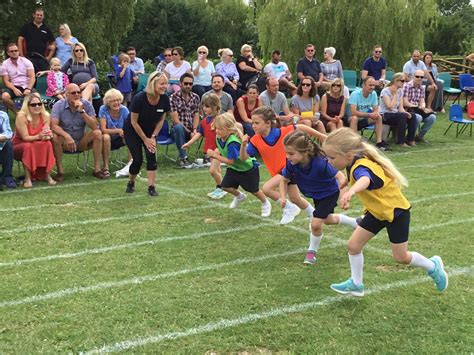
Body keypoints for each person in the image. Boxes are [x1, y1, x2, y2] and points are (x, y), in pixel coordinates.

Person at [323, 128, 448, 296]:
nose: (328, 161)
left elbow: (364, 179)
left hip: (396, 213)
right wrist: (344, 184)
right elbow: (354, 175)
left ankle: (433, 266)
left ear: (348, 154)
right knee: (353, 245)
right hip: (377, 212)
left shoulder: (361, 166)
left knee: (401, 257)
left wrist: (351, 192)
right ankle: (356, 284)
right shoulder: (354, 159)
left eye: (331, 157)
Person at [280, 130, 358, 265]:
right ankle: (354, 222)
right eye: (286, 153)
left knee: (316, 223)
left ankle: (311, 252)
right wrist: (282, 197)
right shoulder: (291, 163)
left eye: (291, 153)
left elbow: (340, 176)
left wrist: (345, 196)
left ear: (304, 152)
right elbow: (284, 180)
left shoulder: (320, 163)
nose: (287, 157)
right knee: (326, 220)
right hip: (317, 195)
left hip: (329, 193)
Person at [241, 105, 326, 225]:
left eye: (256, 122)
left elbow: (301, 127)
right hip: (280, 173)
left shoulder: (283, 132)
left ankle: (289, 208)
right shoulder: (255, 140)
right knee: (295, 199)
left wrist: (321, 136)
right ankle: (314, 214)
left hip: (290, 169)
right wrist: (243, 145)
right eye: (252, 122)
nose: (253, 125)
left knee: (267, 188)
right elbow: (244, 158)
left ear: (268, 123)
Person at [206, 112, 271, 216]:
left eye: (220, 129)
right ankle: (239, 196)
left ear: (229, 129)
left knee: (254, 190)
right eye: (216, 128)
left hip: (247, 169)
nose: (217, 131)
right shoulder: (219, 137)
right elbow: (222, 149)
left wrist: (214, 156)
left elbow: (231, 161)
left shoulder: (232, 143)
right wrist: (217, 152)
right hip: (234, 168)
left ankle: (265, 203)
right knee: (225, 186)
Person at [123, 71, 170, 196]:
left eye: (166, 84)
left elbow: (161, 120)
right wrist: (145, 139)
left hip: (151, 131)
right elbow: (133, 122)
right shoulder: (139, 98)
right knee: (137, 160)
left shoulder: (165, 99)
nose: (165, 86)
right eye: (162, 84)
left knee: (151, 157)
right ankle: (131, 181)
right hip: (133, 130)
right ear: (153, 83)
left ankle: (151, 187)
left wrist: (153, 137)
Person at [50, 83, 106, 181]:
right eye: (73, 93)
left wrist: (82, 112)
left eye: (78, 92)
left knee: (97, 133)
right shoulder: (58, 105)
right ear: (66, 94)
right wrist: (66, 136)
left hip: (81, 141)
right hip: (64, 142)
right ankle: (60, 172)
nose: (76, 95)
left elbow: (94, 126)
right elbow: (53, 125)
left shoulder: (87, 104)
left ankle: (97, 169)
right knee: (55, 137)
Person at [182, 93, 226, 199]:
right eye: (204, 106)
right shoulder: (205, 121)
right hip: (210, 149)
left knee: (212, 170)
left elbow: (227, 133)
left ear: (215, 107)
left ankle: (221, 188)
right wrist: (189, 143)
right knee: (217, 170)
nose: (204, 109)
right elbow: (199, 134)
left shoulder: (220, 120)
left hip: (217, 149)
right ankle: (220, 188)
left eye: (207, 106)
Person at [12, 92, 55, 187]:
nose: (37, 106)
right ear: (27, 106)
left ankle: (47, 175)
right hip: (19, 145)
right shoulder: (21, 116)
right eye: (33, 104)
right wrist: (39, 136)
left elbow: (46, 133)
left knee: (47, 143)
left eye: (39, 104)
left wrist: (48, 135)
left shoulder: (46, 115)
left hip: (37, 142)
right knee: (28, 146)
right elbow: (25, 138)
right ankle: (27, 178)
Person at [348, 76, 390, 151]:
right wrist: (369, 114)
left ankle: (379, 143)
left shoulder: (373, 94)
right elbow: (353, 112)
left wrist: (375, 114)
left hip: (363, 119)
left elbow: (376, 109)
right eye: (370, 85)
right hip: (350, 120)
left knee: (378, 117)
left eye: (373, 85)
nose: (372, 87)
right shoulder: (355, 94)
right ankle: (355, 144)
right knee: (354, 118)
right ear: (363, 85)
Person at [170, 73, 200, 167]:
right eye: (186, 83)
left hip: (192, 128)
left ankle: (209, 155)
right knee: (178, 127)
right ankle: (183, 158)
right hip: (177, 129)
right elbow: (175, 119)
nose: (188, 86)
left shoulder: (195, 97)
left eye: (190, 84)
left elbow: (196, 114)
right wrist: (189, 132)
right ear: (180, 84)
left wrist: (194, 130)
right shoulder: (173, 97)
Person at [380, 73, 418, 147]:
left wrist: (406, 113)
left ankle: (410, 140)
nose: (404, 83)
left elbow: (400, 108)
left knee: (412, 115)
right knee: (402, 116)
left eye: (405, 81)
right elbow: (390, 107)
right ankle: (401, 141)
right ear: (395, 81)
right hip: (385, 115)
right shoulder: (385, 91)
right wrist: (394, 95)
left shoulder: (400, 90)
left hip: (395, 114)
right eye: (402, 81)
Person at [99, 89, 130, 177]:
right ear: (108, 102)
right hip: (105, 139)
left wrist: (124, 132)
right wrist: (119, 130)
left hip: (119, 138)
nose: (116, 103)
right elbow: (103, 129)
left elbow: (129, 127)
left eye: (118, 100)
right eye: (113, 101)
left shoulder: (124, 110)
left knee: (131, 137)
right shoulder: (103, 109)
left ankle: (131, 166)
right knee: (106, 137)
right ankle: (105, 167)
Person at [402, 70, 437, 143]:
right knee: (418, 117)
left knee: (432, 117)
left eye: (421, 77)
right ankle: (409, 137)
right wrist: (417, 106)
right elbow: (405, 103)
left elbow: (422, 100)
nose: (419, 78)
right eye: (417, 76)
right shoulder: (406, 86)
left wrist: (423, 106)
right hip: (407, 109)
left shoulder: (422, 87)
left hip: (417, 109)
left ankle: (420, 136)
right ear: (413, 77)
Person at [18, 8, 55, 72]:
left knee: (42, 78)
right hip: (29, 57)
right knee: (29, 77)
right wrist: (21, 55)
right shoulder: (27, 27)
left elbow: (53, 43)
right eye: (37, 15)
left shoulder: (47, 29)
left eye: (41, 15)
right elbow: (20, 40)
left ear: (43, 16)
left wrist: (49, 57)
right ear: (34, 15)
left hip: (42, 58)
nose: (39, 16)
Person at [1, 43, 36, 113]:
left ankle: (33, 115)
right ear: (8, 53)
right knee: (4, 96)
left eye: (16, 50)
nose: (14, 52)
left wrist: (28, 89)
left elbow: (32, 77)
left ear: (18, 51)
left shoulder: (26, 61)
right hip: (14, 86)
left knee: (36, 96)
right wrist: (14, 89)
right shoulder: (5, 64)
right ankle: (18, 113)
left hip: (27, 85)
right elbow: (6, 81)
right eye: (12, 51)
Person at [0, 110, 16, 189]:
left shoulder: (2, 115)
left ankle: (7, 177)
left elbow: (8, 133)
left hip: (1, 148)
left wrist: (3, 137)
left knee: (8, 144)